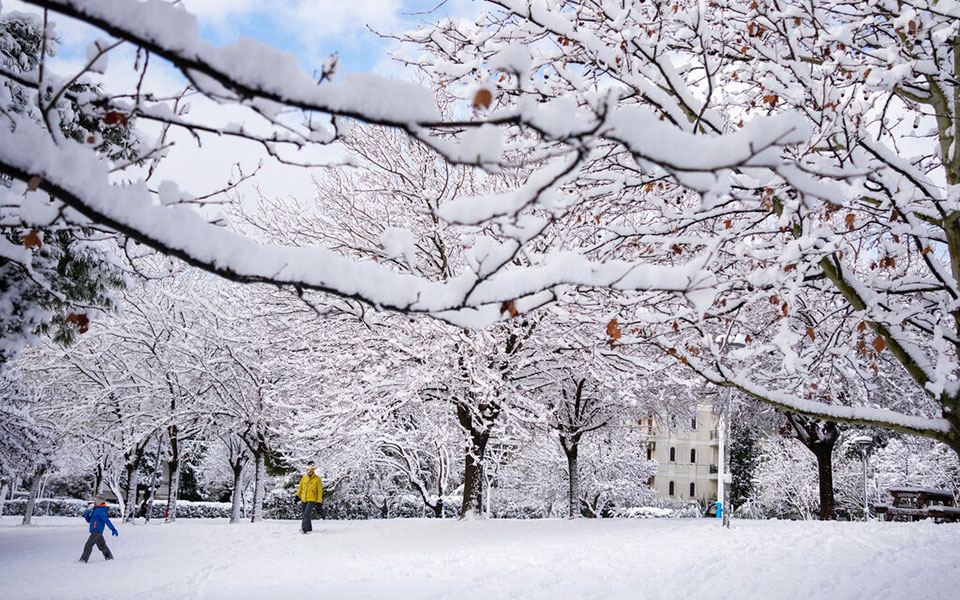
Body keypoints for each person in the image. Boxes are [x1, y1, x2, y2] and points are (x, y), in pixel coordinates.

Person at [79, 494, 117, 562]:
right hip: (95, 530)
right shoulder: (96, 509)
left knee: (88, 545)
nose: (94, 501)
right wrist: (86, 514)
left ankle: (83, 560)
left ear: (99, 501)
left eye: (95, 500)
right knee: (102, 546)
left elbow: (106, 520)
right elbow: (89, 520)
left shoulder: (101, 510)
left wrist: (113, 529)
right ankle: (109, 557)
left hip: (97, 531)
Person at [296, 461, 323, 534]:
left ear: (313, 470)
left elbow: (319, 491)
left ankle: (304, 529)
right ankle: (309, 528)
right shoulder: (304, 478)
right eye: (307, 470)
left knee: (306, 514)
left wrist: (319, 502)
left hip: (312, 499)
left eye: (310, 471)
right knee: (305, 514)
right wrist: (297, 495)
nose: (309, 472)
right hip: (304, 499)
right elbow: (300, 488)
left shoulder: (317, 479)